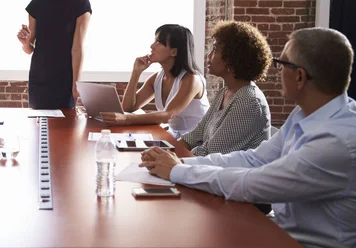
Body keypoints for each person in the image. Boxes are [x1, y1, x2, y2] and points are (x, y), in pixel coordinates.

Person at [140, 27, 356, 248]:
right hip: (280, 231)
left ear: (299, 76)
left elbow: (253, 182)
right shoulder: (303, 114)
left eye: (281, 64)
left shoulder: (336, 141)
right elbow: (254, 159)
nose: (277, 71)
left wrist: (177, 170)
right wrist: (181, 163)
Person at [179, 21, 272, 156]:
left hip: (232, 175)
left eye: (215, 49)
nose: (209, 55)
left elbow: (210, 154)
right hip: (209, 170)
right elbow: (195, 135)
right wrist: (167, 150)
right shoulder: (226, 91)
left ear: (232, 57)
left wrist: (172, 157)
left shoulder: (249, 101)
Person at [101, 24, 209, 138]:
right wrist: (136, 72)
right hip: (174, 137)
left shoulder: (192, 79)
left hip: (196, 143)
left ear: (173, 52)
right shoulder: (157, 78)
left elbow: (167, 115)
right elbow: (128, 108)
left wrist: (126, 119)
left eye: (158, 42)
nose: (152, 46)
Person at [17, 0, 92, 109]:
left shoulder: (81, 5)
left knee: (66, 130)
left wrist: (75, 85)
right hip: (39, 80)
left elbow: (77, 48)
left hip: (65, 80)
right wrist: (24, 42)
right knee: (38, 129)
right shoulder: (36, 4)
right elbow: (31, 49)